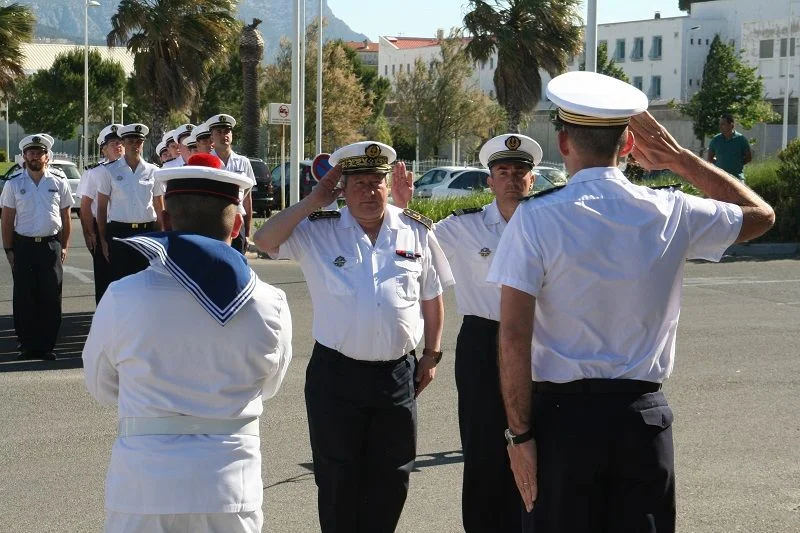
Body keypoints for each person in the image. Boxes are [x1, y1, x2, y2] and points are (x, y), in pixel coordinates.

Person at [486, 71, 775, 533]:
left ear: (563, 142)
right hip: (641, 418)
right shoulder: (672, 209)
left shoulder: (535, 218)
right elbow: (761, 216)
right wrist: (680, 160)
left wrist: (518, 434)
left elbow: (514, 335)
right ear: (627, 146)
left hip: (563, 422)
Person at [83, 152, 292, 533]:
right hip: (230, 489)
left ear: (164, 219)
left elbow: (102, 386)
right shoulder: (270, 302)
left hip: (144, 487)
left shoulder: (122, 296)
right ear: (238, 224)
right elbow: (271, 385)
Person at [253, 141, 452, 533]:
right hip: (337, 376)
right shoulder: (319, 230)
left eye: (375, 181)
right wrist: (313, 200)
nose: (368, 190)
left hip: (397, 375)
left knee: (392, 478)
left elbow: (432, 294)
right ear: (341, 188)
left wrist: (432, 353)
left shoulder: (414, 231)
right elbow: (264, 241)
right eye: (357, 182)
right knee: (337, 479)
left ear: (386, 185)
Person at [393, 134, 542, 532]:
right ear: (489, 181)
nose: (512, 179)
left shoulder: (550, 223)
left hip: (539, 342)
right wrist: (400, 206)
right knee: (483, 447)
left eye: (520, 171)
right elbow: (411, 242)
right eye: (503, 171)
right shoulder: (464, 227)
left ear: (534, 178)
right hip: (483, 341)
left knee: (538, 442)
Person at [1, 134, 72, 360]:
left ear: (46, 156)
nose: (35, 156)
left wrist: (64, 246)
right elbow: (7, 219)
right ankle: (27, 344)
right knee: (25, 297)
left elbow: (66, 217)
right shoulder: (14, 184)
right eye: (30, 152)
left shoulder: (59, 182)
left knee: (51, 297)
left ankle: (46, 346)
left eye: (39, 152)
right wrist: (9, 250)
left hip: (50, 245)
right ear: (24, 156)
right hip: (24, 246)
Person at [96, 123, 164, 284]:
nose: (135, 145)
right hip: (119, 232)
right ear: (124, 143)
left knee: (146, 282)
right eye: (131, 141)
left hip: (146, 231)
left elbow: (159, 206)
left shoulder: (153, 171)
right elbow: (101, 208)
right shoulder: (109, 170)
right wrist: (103, 239)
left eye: (139, 141)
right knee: (120, 281)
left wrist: (160, 235)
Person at [78, 124, 124, 304]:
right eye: (113, 143)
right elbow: (85, 206)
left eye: (121, 142)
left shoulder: (134, 170)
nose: (118, 146)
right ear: (103, 149)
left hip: (125, 227)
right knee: (105, 278)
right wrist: (90, 233)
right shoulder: (94, 172)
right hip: (103, 228)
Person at [207, 114, 255, 255]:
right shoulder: (206, 162)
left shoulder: (243, 162)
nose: (224, 135)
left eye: (227, 131)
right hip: (214, 220)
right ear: (212, 137)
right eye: (219, 132)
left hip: (237, 220)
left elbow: (247, 198)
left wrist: (247, 231)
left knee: (237, 264)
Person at [707, 114, 752, 182]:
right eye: (720, 124)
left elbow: (748, 158)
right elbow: (709, 159)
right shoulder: (715, 140)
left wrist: (737, 164)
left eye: (723, 124)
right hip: (719, 178)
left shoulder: (741, 139)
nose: (720, 127)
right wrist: (720, 164)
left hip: (737, 178)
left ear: (731, 125)